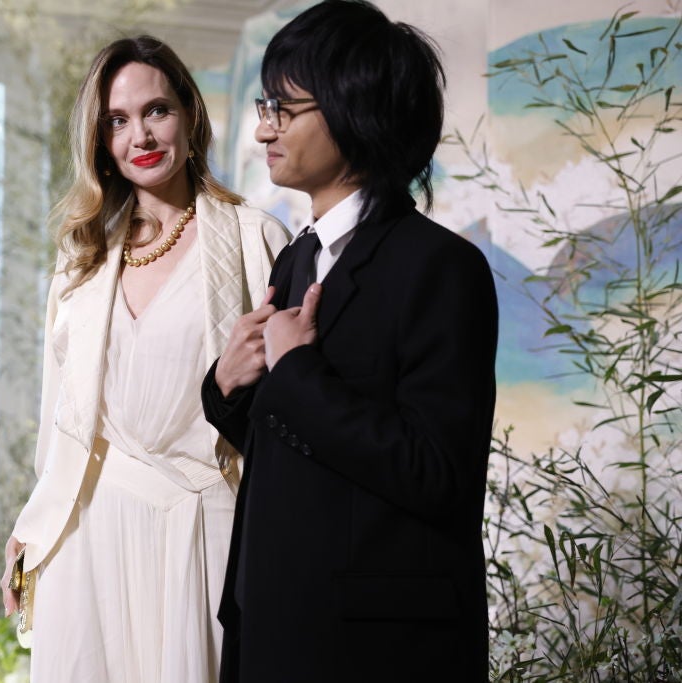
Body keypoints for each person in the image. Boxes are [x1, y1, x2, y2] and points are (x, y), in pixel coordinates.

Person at [202, 2, 498, 681]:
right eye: (264, 104)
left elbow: (436, 473)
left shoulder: (440, 268)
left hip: (375, 644)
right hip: (271, 619)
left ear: (353, 110)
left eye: (283, 107)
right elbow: (304, 448)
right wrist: (228, 385)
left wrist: (298, 369)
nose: (262, 127)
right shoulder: (296, 261)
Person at [0, 35, 290, 683]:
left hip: (208, 519)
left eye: (156, 110)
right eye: (118, 120)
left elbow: (288, 412)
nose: (142, 135)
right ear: (100, 141)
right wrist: (31, 528)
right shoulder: (81, 260)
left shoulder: (254, 239)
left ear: (189, 114)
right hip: (89, 530)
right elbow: (61, 422)